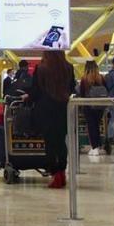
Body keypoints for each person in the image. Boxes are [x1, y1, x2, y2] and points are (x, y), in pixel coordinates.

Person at [25, 50, 75, 188]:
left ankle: (54, 173)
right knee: (60, 141)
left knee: (50, 142)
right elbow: (71, 88)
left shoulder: (41, 68)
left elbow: (35, 91)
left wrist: (28, 98)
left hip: (45, 110)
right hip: (63, 108)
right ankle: (62, 171)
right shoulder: (68, 67)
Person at [77, 60, 109, 155]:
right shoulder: (101, 78)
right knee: (97, 126)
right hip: (100, 106)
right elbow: (106, 90)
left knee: (91, 127)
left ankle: (94, 147)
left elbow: (82, 93)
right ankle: (98, 145)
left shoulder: (84, 79)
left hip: (88, 106)